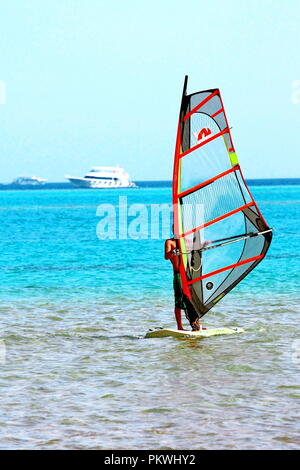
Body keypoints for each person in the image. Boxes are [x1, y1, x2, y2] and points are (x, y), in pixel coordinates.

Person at [164, 237, 201, 331]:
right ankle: (180, 326)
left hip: (189, 273)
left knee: (194, 298)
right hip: (178, 274)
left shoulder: (187, 241)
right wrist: (173, 251)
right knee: (179, 300)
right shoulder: (170, 242)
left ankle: (197, 324)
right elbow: (166, 256)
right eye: (174, 228)